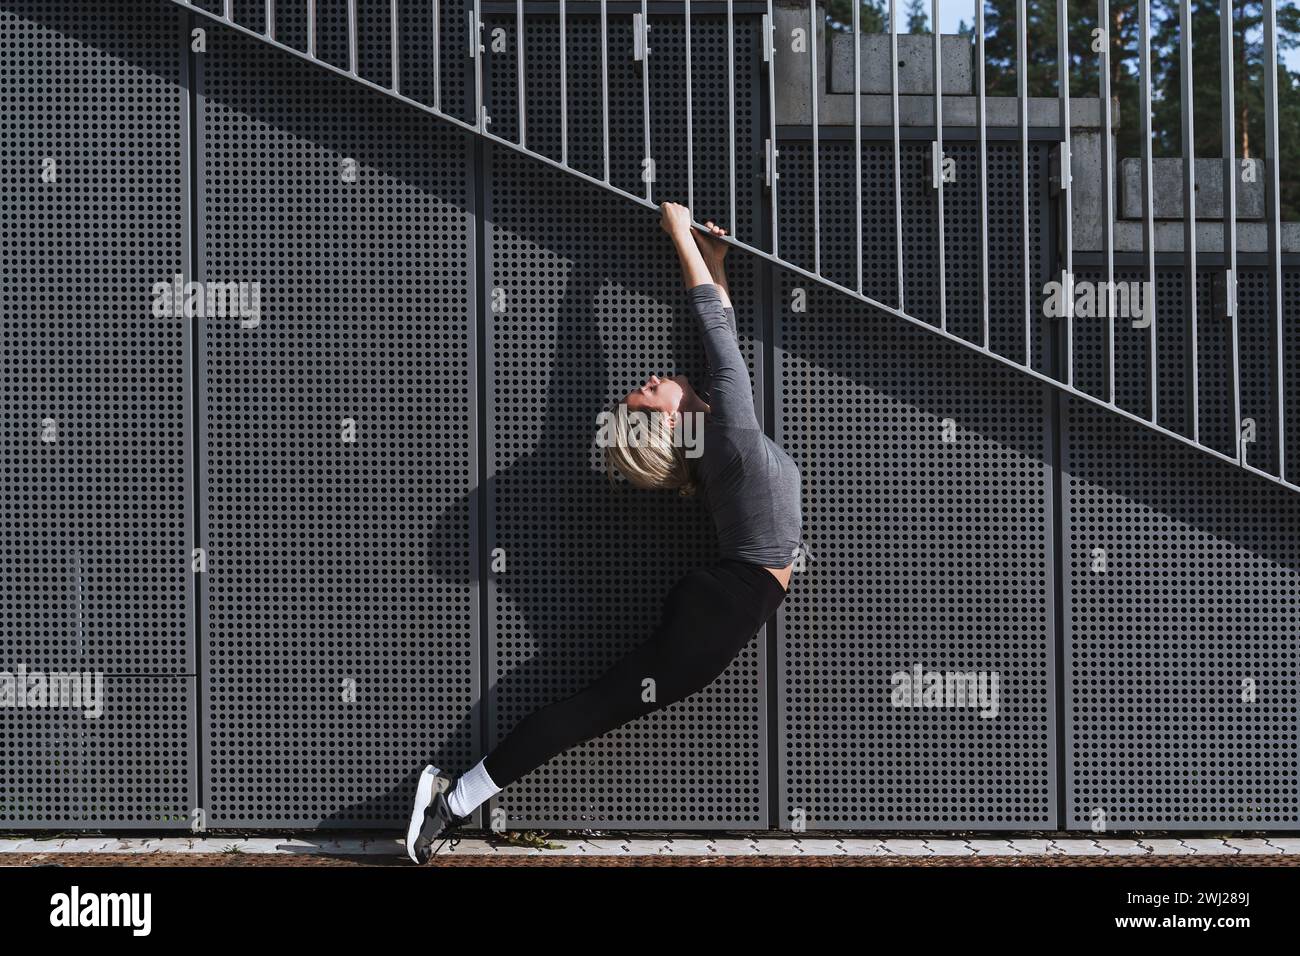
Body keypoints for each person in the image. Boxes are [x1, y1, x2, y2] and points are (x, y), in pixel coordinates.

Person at [406, 201, 806, 864]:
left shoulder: (724, 432)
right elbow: (717, 331)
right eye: (647, 396)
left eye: (644, 386)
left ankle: (453, 801)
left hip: (725, 603)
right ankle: (448, 803)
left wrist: (712, 261)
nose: (650, 379)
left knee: (594, 707)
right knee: (592, 710)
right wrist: (681, 237)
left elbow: (720, 328)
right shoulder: (730, 432)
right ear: (675, 427)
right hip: (725, 606)